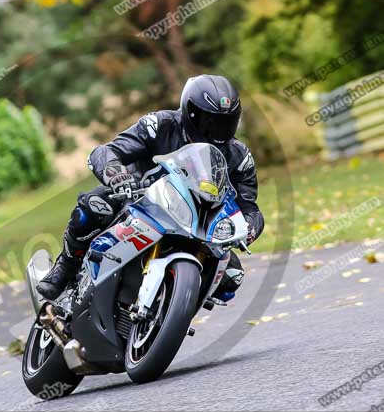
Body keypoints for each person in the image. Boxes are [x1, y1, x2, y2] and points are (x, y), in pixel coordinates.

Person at [37, 74, 264, 301]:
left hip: (198, 222)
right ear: (190, 112)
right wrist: (117, 176)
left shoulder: (239, 156)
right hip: (140, 202)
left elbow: (249, 208)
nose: (216, 131)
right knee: (93, 208)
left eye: (225, 123)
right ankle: (65, 266)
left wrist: (248, 228)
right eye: (209, 122)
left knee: (232, 277)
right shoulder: (160, 125)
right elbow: (107, 152)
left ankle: (173, 306)